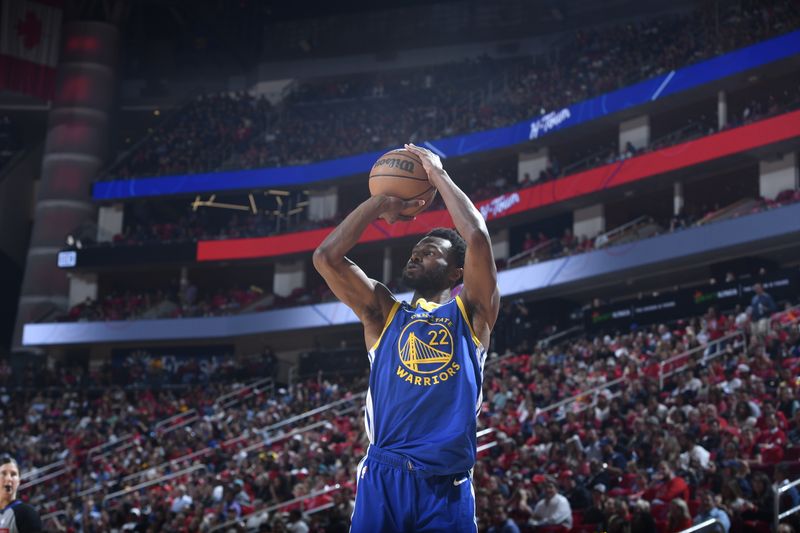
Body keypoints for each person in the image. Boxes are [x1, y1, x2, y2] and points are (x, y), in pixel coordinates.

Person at [313, 143, 500, 532]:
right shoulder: (384, 313)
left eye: (430, 252)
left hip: (446, 484)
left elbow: (477, 237)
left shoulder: (472, 312)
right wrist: (379, 203)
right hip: (385, 475)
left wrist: (437, 176)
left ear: (456, 273)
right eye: (415, 250)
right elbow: (326, 258)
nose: (415, 256)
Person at [0, 455, 42, 532]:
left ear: (19, 480)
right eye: (3, 474)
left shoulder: (27, 513)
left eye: (13, 474)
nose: (8, 479)